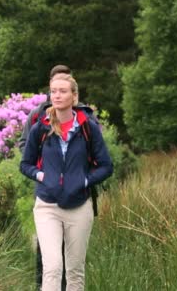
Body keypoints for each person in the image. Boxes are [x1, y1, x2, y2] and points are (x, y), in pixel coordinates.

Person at [20, 74, 113, 291]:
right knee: (52, 268)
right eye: (53, 91)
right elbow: (25, 164)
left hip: (79, 207)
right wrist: (42, 176)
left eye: (63, 91)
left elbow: (106, 166)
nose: (57, 95)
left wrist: (85, 180)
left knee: (75, 271)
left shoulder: (88, 128)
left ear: (74, 96)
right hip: (47, 206)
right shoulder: (40, 128)